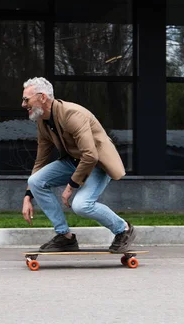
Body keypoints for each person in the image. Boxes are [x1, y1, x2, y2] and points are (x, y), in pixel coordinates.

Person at [21, 77, 136, 252]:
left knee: (81, 205)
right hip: (72, 162)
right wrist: (28, 196)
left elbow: (90, 155)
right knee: (36, 181)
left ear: (42, 97)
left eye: (26, 99)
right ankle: (65, 237)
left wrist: (71, 187)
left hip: (96, 165)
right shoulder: (42, 121)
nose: (23, 104)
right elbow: (41, 160)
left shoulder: (72, 114)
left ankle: (123, 229)